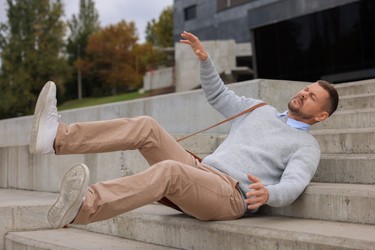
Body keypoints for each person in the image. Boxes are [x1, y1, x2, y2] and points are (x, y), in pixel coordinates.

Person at [29, 31, 339, 229]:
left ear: (321, 115)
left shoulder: (306, 147)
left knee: (168, 172)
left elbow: (294, 185)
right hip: (201, 170)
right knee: (147, 127)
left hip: (229, 195)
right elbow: (219, 96)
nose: (303, 94)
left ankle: (83, 208)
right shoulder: (261, 109)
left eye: (312, 96)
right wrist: (205, 62)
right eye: (306, 88)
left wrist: (269, 193)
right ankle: (55, 138)